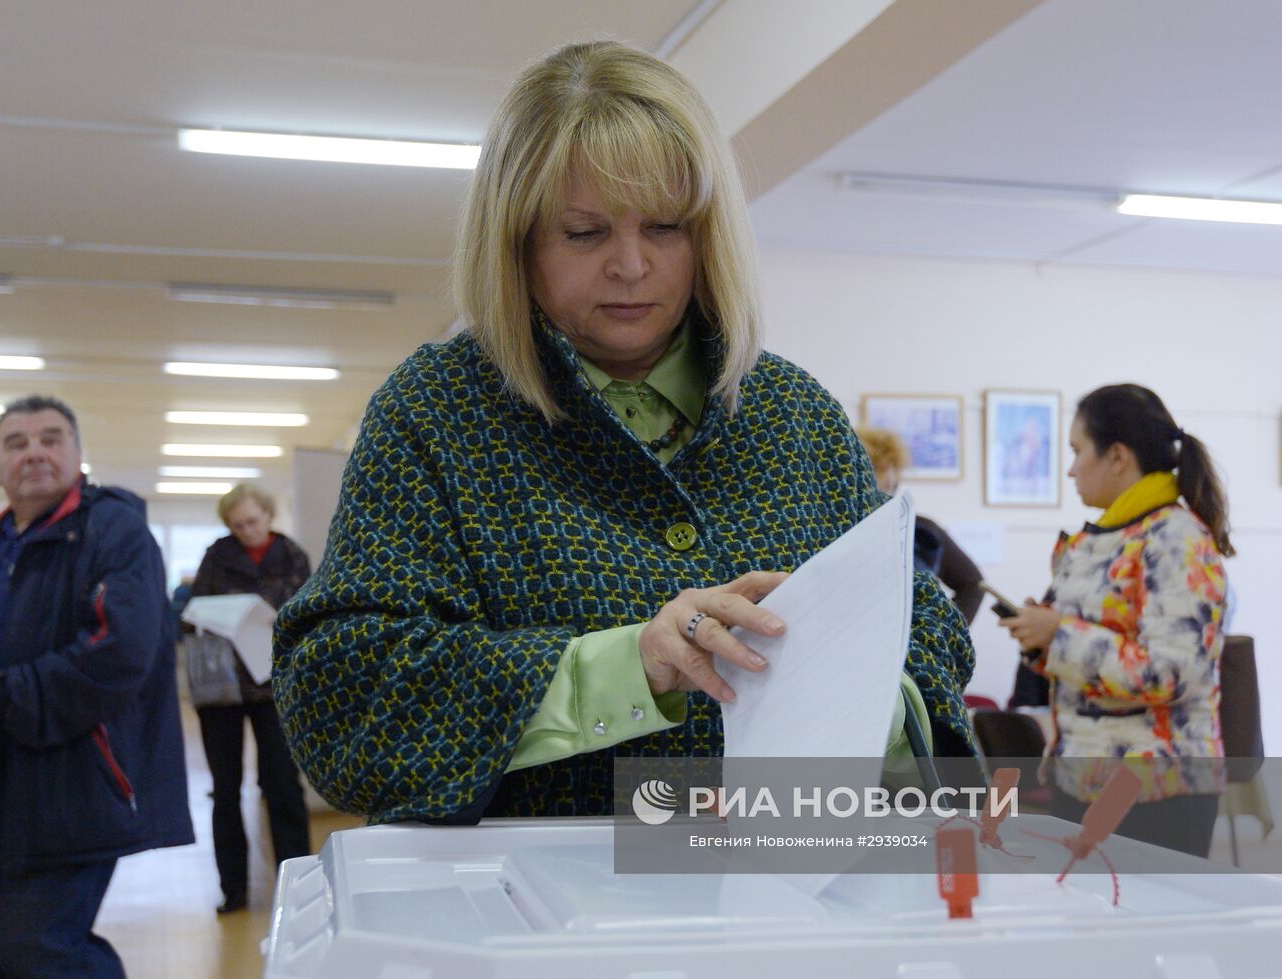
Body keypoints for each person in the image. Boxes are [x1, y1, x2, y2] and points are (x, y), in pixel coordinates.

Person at [272, 40, 977, 825]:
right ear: (517, 240)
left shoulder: (794, 414)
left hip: (785, 902)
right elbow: (341, 694)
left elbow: (927, 634)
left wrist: (854, 682)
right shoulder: (438, 412)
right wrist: (627, 665)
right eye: (584, 232)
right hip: (531, 921)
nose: (632, 266)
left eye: (667, 227)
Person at [0, 395, 193, 977]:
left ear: (78, 453)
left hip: (69, 780)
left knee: (40, 951)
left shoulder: (111, 528)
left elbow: (121, 650)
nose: (33, 452)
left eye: (50, 438)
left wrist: (8, 696)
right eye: (15, 443)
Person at [1001, 383, 1231, 857]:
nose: (1070, 468)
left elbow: (1170, 672)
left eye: (1077, 451)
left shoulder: (1176, 540)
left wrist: (1060, 635)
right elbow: (1094, 653)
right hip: (1082, 776)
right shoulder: (1100, 537)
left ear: (1118, 457)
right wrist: (1042, 637)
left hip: (1157, 791)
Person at [191, 484, 311, 914]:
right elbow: (195, 610)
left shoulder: (293, 555)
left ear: (268, 514)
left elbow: (305, 610)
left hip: (273, 683)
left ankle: (296, 883)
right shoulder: (216, 555)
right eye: (237, 525)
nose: (246, 531)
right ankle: (233, 890)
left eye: (253, 522)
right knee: (224, 790)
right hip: (222, 688)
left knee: (282, 785)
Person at [858, 427, 985, 624]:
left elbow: (972, 584)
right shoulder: (832, 531)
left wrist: (947, 636)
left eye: (889, 485)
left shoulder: (922, 530)